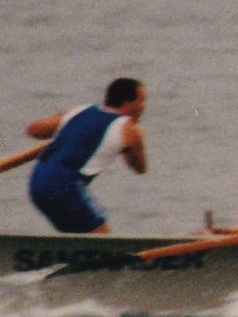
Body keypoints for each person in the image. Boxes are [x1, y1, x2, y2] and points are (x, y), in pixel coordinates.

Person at [24, 75, 149, 234]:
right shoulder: (130, 129)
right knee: (101, 237)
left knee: (78, 235)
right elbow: (140, 168)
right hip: (64, 186)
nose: (143, 107)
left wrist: (68, 136)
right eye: (142, 101)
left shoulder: (80, 111)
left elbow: (34, 130)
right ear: (127, 103)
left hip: (37, 180)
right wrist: (128, 148)